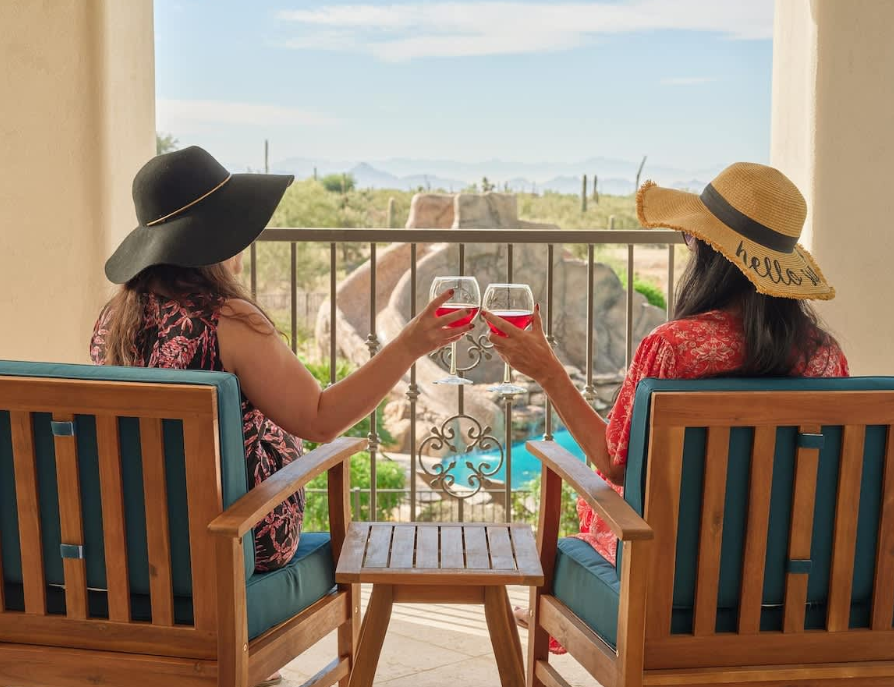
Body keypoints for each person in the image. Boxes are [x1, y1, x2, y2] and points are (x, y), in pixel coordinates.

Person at [91, 147, 470, 686]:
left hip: (129, 545)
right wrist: (409, 344)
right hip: (232, 541)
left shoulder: (113, 322)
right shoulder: (228, 320)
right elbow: (320, 420)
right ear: (221, 236)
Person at [483, 162, 848, 644]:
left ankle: (555, 610)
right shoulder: (826, 355)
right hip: (794, 589)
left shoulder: (675, 347)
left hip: (677, 589)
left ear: (707, 253)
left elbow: (613, 462)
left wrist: (548, 371)